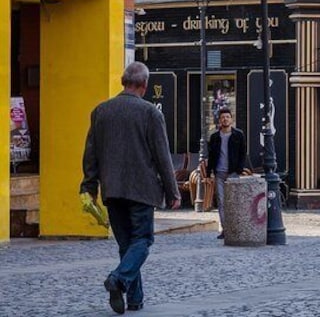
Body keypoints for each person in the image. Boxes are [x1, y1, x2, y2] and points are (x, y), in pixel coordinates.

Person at [80, 62, 180, 314]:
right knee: (142, 241)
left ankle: (135, 300)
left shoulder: (100, 111)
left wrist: (89, 186)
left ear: (123, 82)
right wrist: (172, 191)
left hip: (112, 190)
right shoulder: (150, 113)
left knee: (127, 245)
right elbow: (162, 155)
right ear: (144, 86)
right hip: (142, 189)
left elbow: (90, 154)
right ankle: (118, 279)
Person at [204, 106, 247, 240]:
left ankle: (235, 228)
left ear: (231, 119)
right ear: (219, 120)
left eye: (227, 117)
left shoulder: (238, 135)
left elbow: (242, 154)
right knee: (221, 202)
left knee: (233, 201)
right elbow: (211, 156)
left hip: (233, 173)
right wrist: (209, 173)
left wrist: (239, 170)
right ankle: (225, 229)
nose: (225, 119)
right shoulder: (215, 137)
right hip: (219, 173)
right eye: (223, 117)